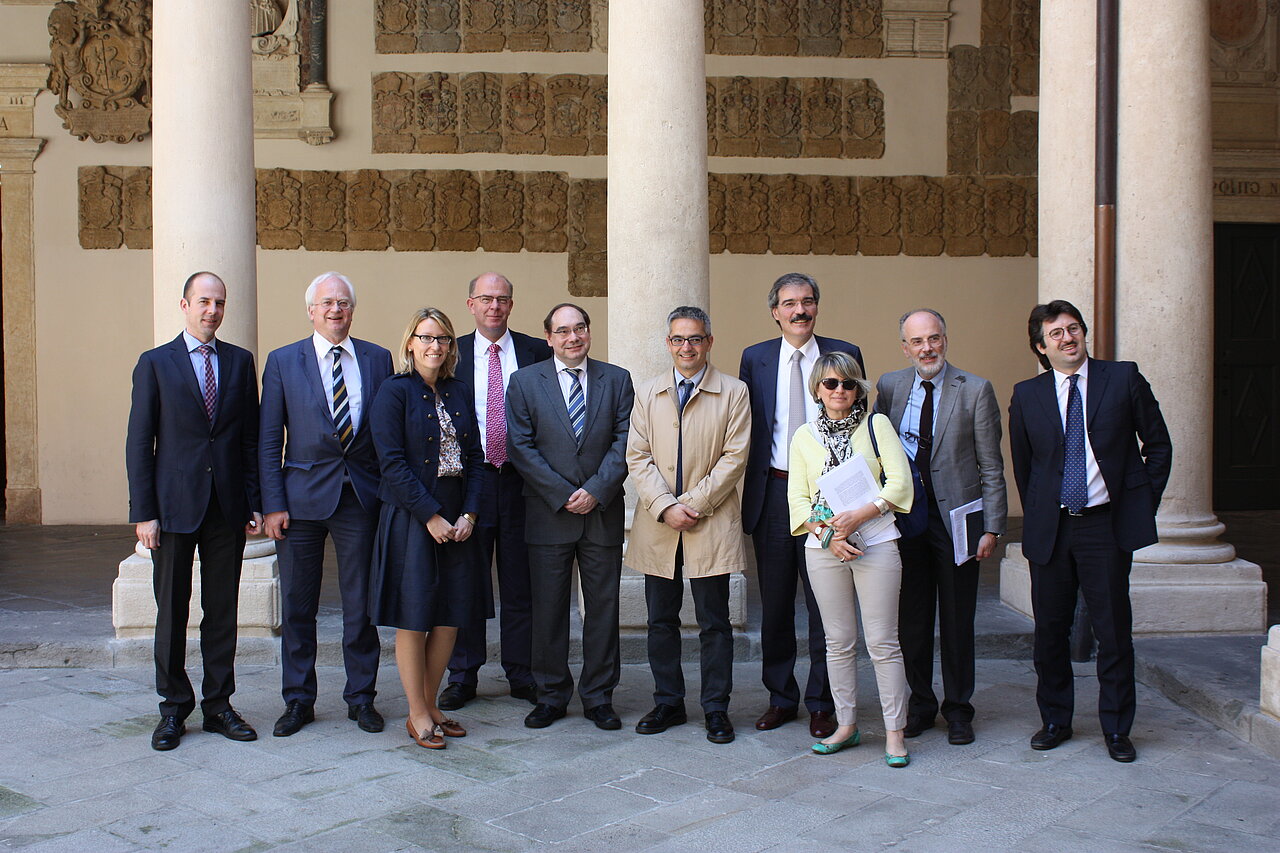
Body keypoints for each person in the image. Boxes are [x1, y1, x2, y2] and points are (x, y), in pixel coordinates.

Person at [1008, 300, 1171, 763]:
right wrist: (1041, 513)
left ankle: (1117, 729)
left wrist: (1140, 501)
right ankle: (1055, 720)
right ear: (1041, 347)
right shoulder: (1027, 394)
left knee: (1113, 631)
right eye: (1055, 333)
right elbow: (1025, 465)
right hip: (1053, 529)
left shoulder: (1122, 378)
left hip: (1106, 525)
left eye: (1073, 328)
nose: (1068, 338)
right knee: (1050, 632)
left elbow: (1158, 445)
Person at [126, 271, 262, 751]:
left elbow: (249, 439)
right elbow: (140, 442)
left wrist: (254, 502)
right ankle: (173, 709)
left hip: (226, 507)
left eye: (219, 303)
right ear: (184, 305)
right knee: (171, 612)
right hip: (172, 508)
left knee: (222, 611)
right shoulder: (155, 363)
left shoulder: (240, 362)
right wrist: (144, 513)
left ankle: (219, 705)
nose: (212, 311)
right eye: (203, 302)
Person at [259, 272, 393, 737]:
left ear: (353, 310)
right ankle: (298, 700)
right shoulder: (282, 361)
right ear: (311, 311)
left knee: (361, 605)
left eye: (344, 303)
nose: (336, 310)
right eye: (327, 303)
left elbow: (386, 432)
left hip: (360, 498)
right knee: (299, 606)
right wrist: (272, 503)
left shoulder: (378, 358)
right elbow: (269, 439)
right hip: (299, 502)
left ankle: (362, 698)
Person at [739, 272, 864, 739]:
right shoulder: (755, 358)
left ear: (817, 307)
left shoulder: (844, 353)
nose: (800, 310)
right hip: (774, 493)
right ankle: (780, 698)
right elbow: (750, 426)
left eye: (808, 301)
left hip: (829, 497)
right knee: (774, 605)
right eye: (790, 303)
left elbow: (860, 420)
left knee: (824, 604)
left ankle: (823, 703)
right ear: (775, 311)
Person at [873, 309, 1007, 746]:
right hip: (906, 518)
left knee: (956, 618)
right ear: (905, 348)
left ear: (945, 340)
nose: (927, 348)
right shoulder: (890, 386)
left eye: (934, 338)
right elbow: (875, 450)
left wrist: (992, 527)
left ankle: (959, 710)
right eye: (917, 341)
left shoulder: (975, 390)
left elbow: (991, 465)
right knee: (911, 619)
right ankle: (921, 705)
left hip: (958, 521)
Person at [626, 306, 750, 745]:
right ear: (668, 344)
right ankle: (668, 702)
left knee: (715, 622)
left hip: (708, 521)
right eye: (678, 339)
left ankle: (716, 708)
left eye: (695, 338)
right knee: (661, 619)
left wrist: (692, 504)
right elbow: (637, 455)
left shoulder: (734, 392)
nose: (686, 347)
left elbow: (735, 457)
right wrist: (665, 506)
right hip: (659, 523)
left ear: (709, 342)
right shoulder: (648, 392)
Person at [506, 303, 634, 730]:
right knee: (548, 611)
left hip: (601, 513)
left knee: (603, 610)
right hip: (548, 514)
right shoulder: (525, 382)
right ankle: (551, 695)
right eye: (562, 331)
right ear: (549, 338)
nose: (572, 337)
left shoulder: (617, 379)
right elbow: (520, 446)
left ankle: (599, 697)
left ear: (589, 332)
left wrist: (595, 490)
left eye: (579, 328)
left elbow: (625, 441)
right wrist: (562, 494)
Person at [788, 351, 913, 767]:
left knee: (883, 642)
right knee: (838, 642)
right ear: (817, 389)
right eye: (831, 383)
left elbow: (900, 483)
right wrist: (829, 537)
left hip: (876, 541)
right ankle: (846, 725)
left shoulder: (876, 425)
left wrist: (863, 514)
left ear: (858, 389)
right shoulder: (804, 436)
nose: (839, 390)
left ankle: (895, 732)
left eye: (848, 383)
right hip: (824, 550)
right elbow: (798, 499)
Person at [367, 308, 484, 749]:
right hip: (412, 517)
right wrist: (430, 515)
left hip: (457, 515)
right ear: (411, 343)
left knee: (451, 617)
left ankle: (432, 705)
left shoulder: (458, 390)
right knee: (415, 617)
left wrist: (469, 515)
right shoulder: (393, 392)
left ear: (452, 347)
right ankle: (416, 713)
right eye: (427, 338)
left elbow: (475, 459)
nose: (435, 346)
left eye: (443, 339)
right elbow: (391, 463)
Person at [438, 273, 552, 712]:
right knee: (467, 580)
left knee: (521, 582)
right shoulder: (452, 352)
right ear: (470, 304)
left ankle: (521, 672)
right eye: (486, 298)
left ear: (511, 304)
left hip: (523, 482)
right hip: (472, 482)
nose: (494, 306)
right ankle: (463, 674)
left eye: (502, 299)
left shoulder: (536, 351)